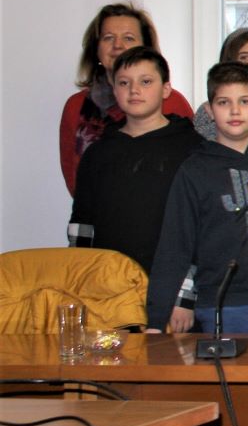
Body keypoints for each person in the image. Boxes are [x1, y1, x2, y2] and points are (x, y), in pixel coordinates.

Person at [147, 61, 248, 333]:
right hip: (221, 303)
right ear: (210, 110)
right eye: (224, 102)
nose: (235, 111)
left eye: (244, 101)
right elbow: (175, 245)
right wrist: (156, 319)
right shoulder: (194, 170)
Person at [67, 47, 201, 271]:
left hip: (175, 281)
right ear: (114, 90)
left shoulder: (194, 149)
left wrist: (188, 285)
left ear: (166, 89)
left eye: (146, 82)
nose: (134, 90)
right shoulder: (97, 153)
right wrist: (80, 275)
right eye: (124, 83)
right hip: (108, 280)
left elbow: (204, 223)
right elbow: (82, 223)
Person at [59, 0, 195, 194]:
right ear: (96, 48)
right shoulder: (76, 106)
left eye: (128, 38)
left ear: (145, 47)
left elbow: (193, 167)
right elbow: (75, 179)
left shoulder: (172, 101)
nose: (118, 45)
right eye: (108, 38)